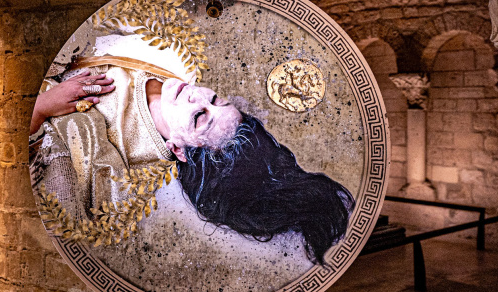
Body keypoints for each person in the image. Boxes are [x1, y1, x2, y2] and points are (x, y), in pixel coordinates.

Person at [30, 52, 353, 265]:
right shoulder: (171, 61)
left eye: (200, 117)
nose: (197, 95)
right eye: (216, 99)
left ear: (179, 150)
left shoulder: (104, 165)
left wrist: (41, 107)